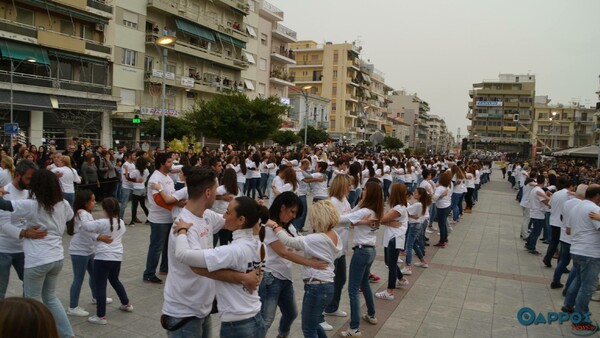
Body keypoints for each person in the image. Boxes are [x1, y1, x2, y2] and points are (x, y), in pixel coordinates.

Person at [161, 167, 260, 338]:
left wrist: (252, 213)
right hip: (185, 311)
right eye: (216, 189)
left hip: (202, 307)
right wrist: (243, 277)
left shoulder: (206, 215)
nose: (218, 193)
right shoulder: (184, 225)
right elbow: (196, 267)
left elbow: (231, 221)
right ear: (208, 192)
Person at [174, 196, 267, 338]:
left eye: (228, 213)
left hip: (237, 326)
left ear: (241, 220)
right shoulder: (260, 245)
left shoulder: (233, 251)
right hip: (256, 317)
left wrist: (181, 231)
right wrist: (243, 277)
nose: (224, 216)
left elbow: (183, 255)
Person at [0, 169, 74, 338]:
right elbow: (69, 217)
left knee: (32, 302)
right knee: (50, 298)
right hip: (57, 258)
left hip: (37, 259)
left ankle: (37, 333)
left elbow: (4, 205)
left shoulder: (33, 205)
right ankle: (67, 334)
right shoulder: (63, 204)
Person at [265, 200, 343, 338]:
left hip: (316, 286)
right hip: (327, 284)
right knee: (314, 324)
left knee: (308, 329)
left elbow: (289, 242)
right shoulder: (334, 235)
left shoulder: (316, 238)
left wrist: (275, 226)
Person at [80, 197, 134, 325]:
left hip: (102, 257)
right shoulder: (121, 222)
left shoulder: (102, 222)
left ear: (105, 210)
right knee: (115, 280)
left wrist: (82, 213)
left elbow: (86, 226)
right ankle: (126, 303)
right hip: (117, 257)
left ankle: (101, 316)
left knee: (100, 285)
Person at [341, 181, 383, 337]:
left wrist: (358, 220)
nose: (361, 190)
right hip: (370, 250)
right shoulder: (375, 210)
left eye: (364, 189)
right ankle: (371, 314)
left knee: (353, 290)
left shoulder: (365, 210)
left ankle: (354, 328)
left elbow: (343, 218)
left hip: (362, 252)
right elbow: (353, 217)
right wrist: (359, 220)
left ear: (369, 193)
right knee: (364, 283)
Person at [66, 190, 113, 317]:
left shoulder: (86, 213)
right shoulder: (82, 213)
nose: (94, 203)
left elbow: (91, 227)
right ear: (85, 202)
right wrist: (99, 237)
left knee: (95, 275)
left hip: (88, 250)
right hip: (79, 251)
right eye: (92, 200)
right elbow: (85, 229)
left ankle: (96, 297)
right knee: (78, 278)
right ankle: (73, 306)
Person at [564, 184, 600, 333]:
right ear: (597, 196)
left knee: (578, 280)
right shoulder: (595, 210)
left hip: (577, 249)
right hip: (590, 252)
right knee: (588, 287)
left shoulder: (577, 207)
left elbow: (569, 229)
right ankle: (580, 319)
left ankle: (568, 304)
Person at [0, 159, 37, 300]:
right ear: (17, 175)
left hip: (24, 249)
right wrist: (26, 233)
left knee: (29, 285)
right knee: (1, 290)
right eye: (28, 178)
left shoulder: (29, 193)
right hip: (3, 250)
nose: (30, 182)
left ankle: (24, 315)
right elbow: (3, 225)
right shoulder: (5, 193)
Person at [143, 152, 177, 284]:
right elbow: (158, 200)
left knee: (167, 246)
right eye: (169, 162)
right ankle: (149, 273)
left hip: (169, 218)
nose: (171, 164)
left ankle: (165, 268)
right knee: (156, 247)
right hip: (159, 219)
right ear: (162, 164)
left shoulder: (167, 177)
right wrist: (175, 206)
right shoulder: (155, 179)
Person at [376, 183, 410, 301]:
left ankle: (389, 291)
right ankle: (401, 279)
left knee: (391, 264)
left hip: (395, 238)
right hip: (392, 237)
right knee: (389, 262)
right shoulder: (398, 207)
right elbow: (384, 220)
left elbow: (382, 219)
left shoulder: (399, 208)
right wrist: (389, 223)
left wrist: (386, 221)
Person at [128, 156, 150, 226]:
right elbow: (146, 178)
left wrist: (126, 170)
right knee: (143, 205)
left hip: (136, 189)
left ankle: (132, 221)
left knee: (134, 206)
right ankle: (148, 219)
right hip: (143, 188)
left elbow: (129, 177)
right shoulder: (146, 170)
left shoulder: (135, 171)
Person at [433, 171, 452, 247]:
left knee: (441, 225)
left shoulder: (440, 188)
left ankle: (442, 241)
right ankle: (445, 238)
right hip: (447, 205)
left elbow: (435, 198)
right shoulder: (449, 186)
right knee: (443, 223)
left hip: (441, 207)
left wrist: (430, 193)